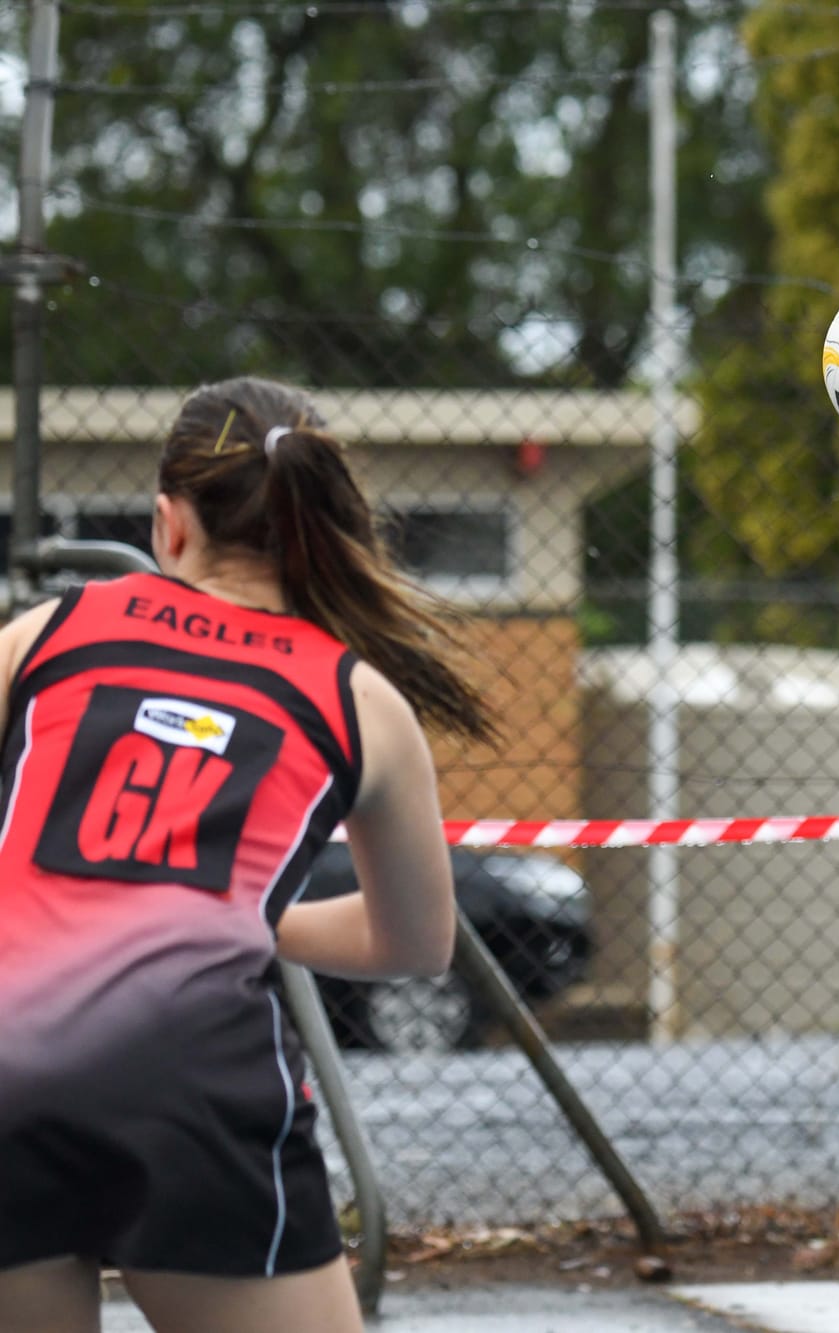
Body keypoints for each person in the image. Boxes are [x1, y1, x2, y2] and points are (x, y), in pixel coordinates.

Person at [0, 378, 494, 1333]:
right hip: (189, 1088)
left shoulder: (48, 633)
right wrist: (251, 916)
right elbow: (416, 944)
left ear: (168, 525)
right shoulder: (362, 702)